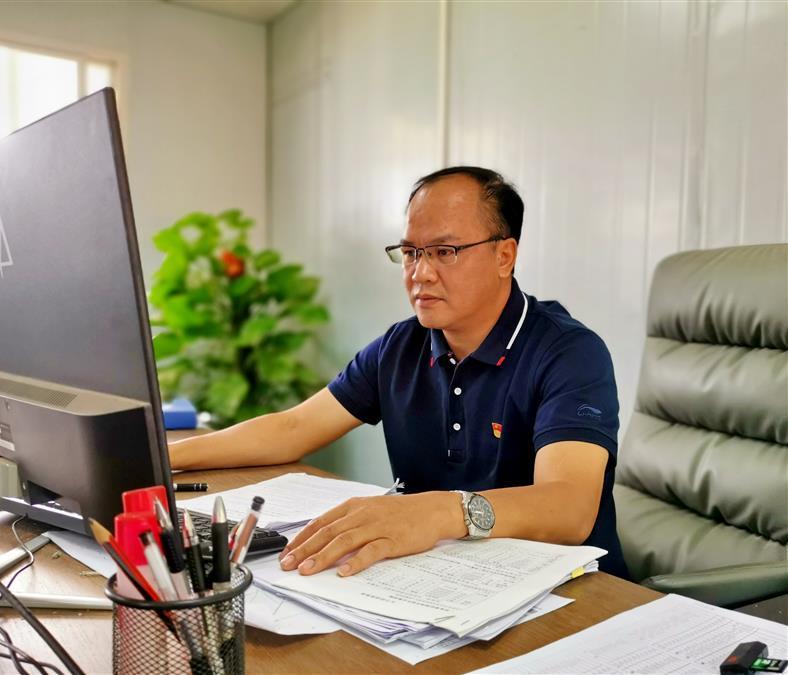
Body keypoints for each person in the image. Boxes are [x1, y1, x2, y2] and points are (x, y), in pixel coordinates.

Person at [169, 166, 628, 580]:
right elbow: (293, 428)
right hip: (443, 579)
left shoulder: (568, 353)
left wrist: (440, 512)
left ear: (504, 256)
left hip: (569, 594)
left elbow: (570, 507)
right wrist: (167, 456)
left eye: (445, 251)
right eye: (410, 252)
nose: (420, 273)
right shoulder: (402, 345)